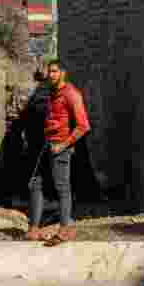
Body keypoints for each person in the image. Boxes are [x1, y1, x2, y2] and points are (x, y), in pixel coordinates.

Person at [26, 59, 91, 242]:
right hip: (47, 144)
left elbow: (83, 126)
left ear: (63, 73)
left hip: (61, 147)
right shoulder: (53, 92)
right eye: (50, 71)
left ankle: (64, 229)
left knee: (62, 187)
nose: (51, 75)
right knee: (36, 183)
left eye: (54, 71)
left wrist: (63, 146)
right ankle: (34, 228)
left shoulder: (71, 94)